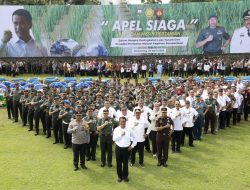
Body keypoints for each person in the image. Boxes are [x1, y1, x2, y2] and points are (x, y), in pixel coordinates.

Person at [113, 117, 137, 183]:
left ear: (126, 122)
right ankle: (120, 176)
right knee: (119, 163)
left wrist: (132, 146)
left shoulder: (129, 129)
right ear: (119, 122)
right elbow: (114, 139)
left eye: (124, 121)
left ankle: (125, 176)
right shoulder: (116, 129)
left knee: (125, 163)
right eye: (121, 121)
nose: (123, 123)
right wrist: (121, 135)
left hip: (127, 149)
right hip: (118, 148)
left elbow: (135, 138)